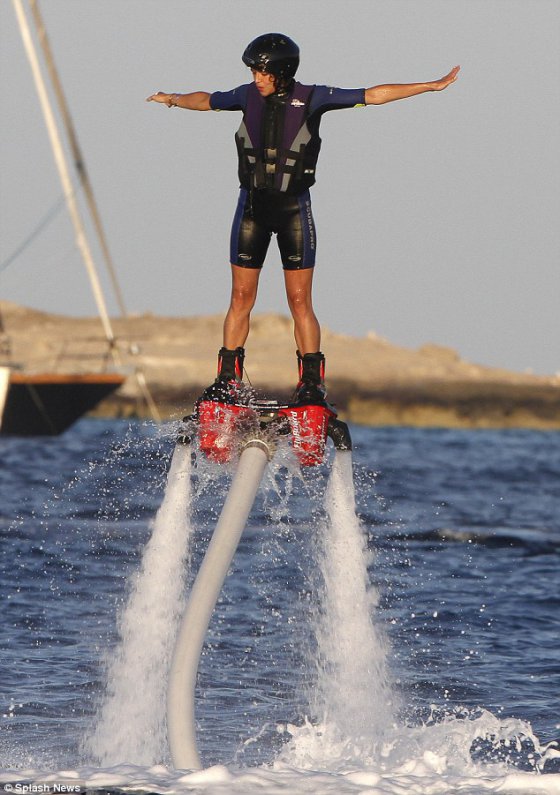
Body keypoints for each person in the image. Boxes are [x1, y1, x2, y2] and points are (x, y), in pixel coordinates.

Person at [147, 33, 459, 404]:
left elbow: (373, 94)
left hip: (294, 210)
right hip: (251, 210)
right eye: (253, 72)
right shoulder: (245, 96)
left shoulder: (314, 98)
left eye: (262, 72)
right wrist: (172, 100)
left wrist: (430, 86)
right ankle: (227, 380)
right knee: (241, 296)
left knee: (299, 301)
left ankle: (310, 383)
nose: (255, 78)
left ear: (281, 72)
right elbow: (205, 100)